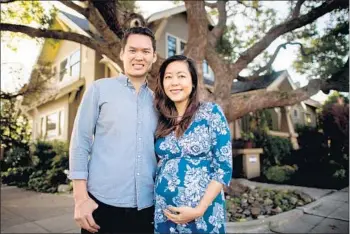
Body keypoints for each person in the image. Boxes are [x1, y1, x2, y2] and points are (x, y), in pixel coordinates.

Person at [69, 27, 158, 234]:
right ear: (122, 54)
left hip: (146, 210)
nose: (139, 56)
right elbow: (80, 142)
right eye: (132, 50)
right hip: (101, 207)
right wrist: (81, 199)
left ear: (153, 56)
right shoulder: (99, 89)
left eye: (145, 51)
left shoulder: (158, 102)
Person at [153, 55, 233, 233]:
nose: (174, 82)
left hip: (203, 213)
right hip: (164, 212)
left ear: (193, 82)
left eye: (181, 76)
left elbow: (224, 167)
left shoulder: (211, 113)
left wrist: (199, 210)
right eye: (168, 77)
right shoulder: (162, 119)